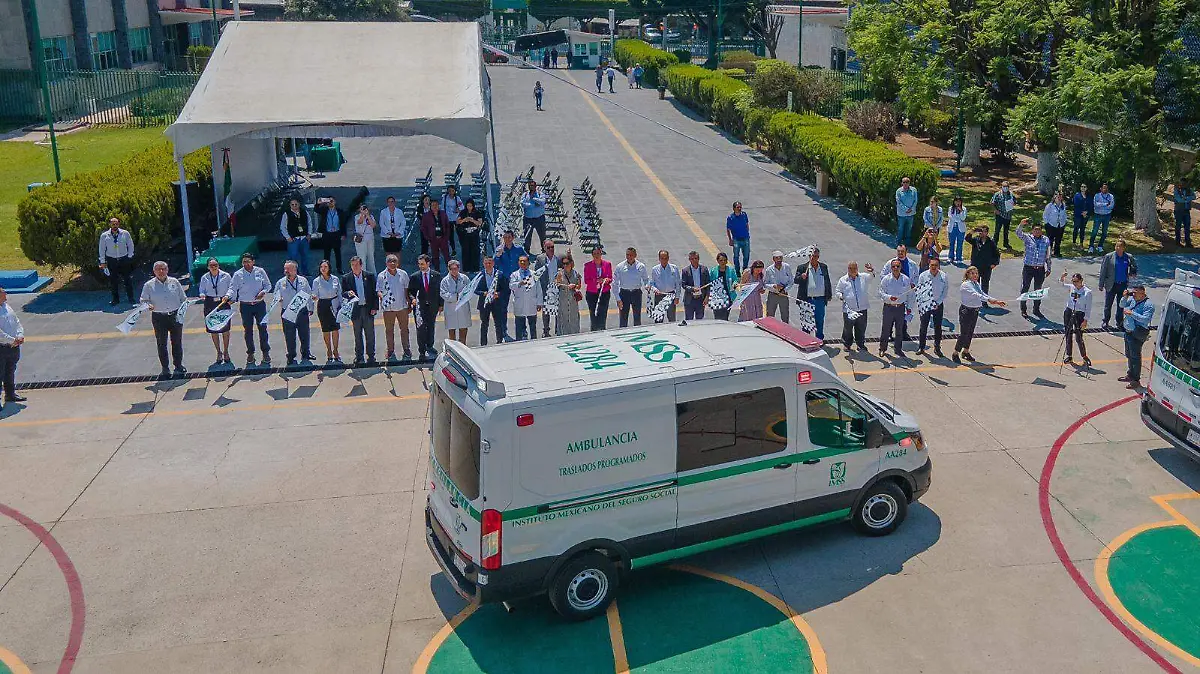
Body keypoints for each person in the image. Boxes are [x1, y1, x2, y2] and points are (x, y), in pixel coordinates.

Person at [141, 260, 188, 376]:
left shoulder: (175, 282)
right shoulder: (148, 285)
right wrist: (148, 305)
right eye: (158, 269)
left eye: (163, 269)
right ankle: (165, 368)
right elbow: (143, 300)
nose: (161, 271)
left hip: (175, 316)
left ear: (167, 270)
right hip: (159, 317)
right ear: (154, 271)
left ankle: (178, 365)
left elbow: (183, 299)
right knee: (161, 343)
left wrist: (182, 311)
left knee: (177, 342)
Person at [225, 252, 272, 366]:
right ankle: (250, 353)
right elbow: (232, 288)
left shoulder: (260, 271)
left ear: (253, 262)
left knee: (263, 329)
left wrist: (263, 292)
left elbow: (268, 285)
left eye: (248, 261)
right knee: (248, 330)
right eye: (244, 262)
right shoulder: (238, 274)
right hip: (245, 306)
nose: (246, 264)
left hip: (259, 304)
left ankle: (265, 352)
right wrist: (227, 296)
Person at [955, 266, 1006, 363]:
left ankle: (965, 351)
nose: (975, 275)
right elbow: (976, 295)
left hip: (974, 311)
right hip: (966, 311)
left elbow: (982, 293)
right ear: (968, 274)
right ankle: (956, 352)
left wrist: (995, 301)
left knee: (970, 332)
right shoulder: (966, 285)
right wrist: (989, 300)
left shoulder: (976, 284)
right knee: (964, 333)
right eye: (972, 273)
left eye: (976, 273)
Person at [274, 260, 314, 365]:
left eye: (288, 269)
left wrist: (311, 308)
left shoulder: (303, 281)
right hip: (287, 311)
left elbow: (309, 294)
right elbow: (275, 295)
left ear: (295, 269)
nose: (286, 271)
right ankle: (291, 355)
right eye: (285, 269)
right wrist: (278, 298)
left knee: (304, 333)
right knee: (289, 335)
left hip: (301, 311)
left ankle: (306, 353)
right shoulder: (280, 282)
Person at [341, 255, 378, 365]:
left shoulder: (369, 276)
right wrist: (348, 293)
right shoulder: (346, 278)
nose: (355, 267)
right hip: (355, 310)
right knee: (357, 334)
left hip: (367, 309)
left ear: (361, 265)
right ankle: (359, 356)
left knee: (370, 334)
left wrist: (375, 307)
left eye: (357, 265)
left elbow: (374, 293)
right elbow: (343, 293)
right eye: (352, 265)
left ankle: (371, 356)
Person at [1118, 284, 1155, 389]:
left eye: (1135, 292)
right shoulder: (1133, 300)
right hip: (1128, 331)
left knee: (1135, 357)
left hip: (1137, 333)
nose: (1133, 294)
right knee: (1129, 354)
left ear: (1142, 293)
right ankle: (1130, 374)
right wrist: (1124, 297)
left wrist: (1132, 313)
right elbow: (1122, 305)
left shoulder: (1149, 305)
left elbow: (1146, 319)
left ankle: (1136, 380)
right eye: (1133, 292)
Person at [377, 253, 412, 361]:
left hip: (402, 307)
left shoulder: (403, 274)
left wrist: (409, 304)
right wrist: (383, 297)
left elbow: (406, 290)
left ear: (398, 262)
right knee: (389, 330)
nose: (392, 263)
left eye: (394, 261)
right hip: (388, 309)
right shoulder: (381, 276)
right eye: (390, 261)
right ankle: (390, 350)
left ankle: (406, 349)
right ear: (386, 263)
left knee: (404, 329)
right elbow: (378, 290)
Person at [198, 257, 232, 363]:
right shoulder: (205, 277)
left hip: (223, 302)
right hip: (210, 303)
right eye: (211, 265)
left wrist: (228, 296)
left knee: (225, 329)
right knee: (213, 329)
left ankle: (226, 351)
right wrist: (202, 295)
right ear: (208, 267)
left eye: (215, 265)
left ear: (218, 265)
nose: (213, 267)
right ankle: (218, 352)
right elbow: (201, 290)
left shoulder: (226, 276)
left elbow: (231, 288)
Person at [1015, 219, 1052, 319]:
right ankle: (1023, 309)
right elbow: (1018, 233)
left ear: (1041, 231)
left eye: (1039, 230)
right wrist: (1021, 224)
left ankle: (1036, 309)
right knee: (1025, 288)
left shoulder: (1046, 240)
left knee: (1038, 290)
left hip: (1040, 269)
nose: (1037, 231)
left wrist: (1049, 268)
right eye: (1035, 230)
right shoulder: (1028, 238)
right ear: (1032, 231)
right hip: (1028, 268)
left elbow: (1048, 255)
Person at [1099, 240, 1137, 331]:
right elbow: (1103, 270)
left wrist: (1132, 272)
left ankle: (1119, 323)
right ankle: (1105, 321)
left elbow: (1134, 267)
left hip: (1122, 285)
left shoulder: (1128, 257)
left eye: (1120, 246)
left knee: (1121, 305)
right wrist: (1101, 284)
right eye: (1116, 246)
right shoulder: (1109, 257)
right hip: (1111, 284)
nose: (1118, 248)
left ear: (1124, 248)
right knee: (1108, 305)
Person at [409, 254, 442, 359]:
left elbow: (439, 291)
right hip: (420, 307)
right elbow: (410, 291)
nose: (421, 266)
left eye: (422, 264)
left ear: (428, 263)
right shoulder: (414, 276)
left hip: (433, 306)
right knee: (421, 328)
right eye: (419, 264)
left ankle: (430, 346)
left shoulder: (436, 275)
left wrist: (441, 305)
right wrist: (412, 298)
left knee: (431, 326)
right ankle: (422, 350)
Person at [836, 261, 873, 353]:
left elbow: (871, 277)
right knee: (848, 328)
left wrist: (871, 271)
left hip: (862, 308)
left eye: (854, 268)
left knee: (861, 327)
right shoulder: (843, 280)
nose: (852, 270)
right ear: (848, 269)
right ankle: (847, 344)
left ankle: (860, 344)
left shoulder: (863, 277)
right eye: (850, 268)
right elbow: (838, 290)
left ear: (857, 269)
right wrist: (840, 296)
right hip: (849, 309)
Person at [98, 217, 136, 306]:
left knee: (127, 280)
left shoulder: (125, 233)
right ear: (110, 225)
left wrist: (130, 256)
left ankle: (131, 298)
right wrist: (102, 261)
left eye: (116, 224)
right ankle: (115, 299)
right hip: (112, 260)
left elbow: (130, 245)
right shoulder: (104, 235)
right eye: (113, 224)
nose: (115, 226)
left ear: (119, 224)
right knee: (113, 281)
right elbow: (102, 249)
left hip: (123, 259)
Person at [795, 248, 832, 339]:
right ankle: (806, 339)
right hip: (807, 300)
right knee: (806, 322)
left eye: (815, 256)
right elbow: (795, 280)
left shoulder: (823, 267)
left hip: (820, 299)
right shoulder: (803, 268)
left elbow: (827, 281)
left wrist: (829, 294)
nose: (813, 258)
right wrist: (801, 277)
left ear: (818, 257)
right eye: (812, 256)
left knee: (819, 321)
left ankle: (819, 339)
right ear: (809, 256)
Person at [878, 259, 911, 357]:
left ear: (900, 267)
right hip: (889, 307)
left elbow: (909, 294)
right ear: (891, 268)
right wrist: (889, 297)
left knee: (899, 330)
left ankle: (898, 349)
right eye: (893, 266)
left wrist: (909, 307)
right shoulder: (886, 279)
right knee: (886, 329)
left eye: (897, 266)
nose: (895, 268)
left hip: (900, 308)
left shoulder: (906, 279)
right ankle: (882, 348)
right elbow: (881, 292)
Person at [312, 260, 342, 363]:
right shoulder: (317, 281)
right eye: (321, 267)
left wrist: (342, 306)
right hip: (323, 305)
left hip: (334, 303)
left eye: (325, 267)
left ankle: (336, 350)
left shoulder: (335, 279)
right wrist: (314, 297)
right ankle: (329, 350)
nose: (323, 269)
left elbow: (340, 293)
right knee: (326, 330)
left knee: (335, 329)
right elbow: (314, 294)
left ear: (329, 268)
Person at [917, 257, 948, 357]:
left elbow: (945, 292)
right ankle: (921, 347)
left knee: (938, 327)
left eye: (936, 265)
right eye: (932, 265)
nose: (934, 267)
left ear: (939, 266)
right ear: (929, 265)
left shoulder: (943, 276)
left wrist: (937, 303)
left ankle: (937, 347)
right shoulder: (923, 275)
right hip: (926, 303)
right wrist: (926, 302)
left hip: (938, 305)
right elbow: (920, 290)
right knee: (923, 326)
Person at [1060, 272, 1092, 367]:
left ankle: (1084, 356)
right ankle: (1069, 355)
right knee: (1068, 334)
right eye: (1073, 281)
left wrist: (1085, 320)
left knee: (1079, 337)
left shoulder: (1087, 292)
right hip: (1069, 311)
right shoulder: (1072, 287)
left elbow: (1088, 308)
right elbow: (1061, 284)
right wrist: (1062, 277)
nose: (1074, 283)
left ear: (1081, 280)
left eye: (1076, 281)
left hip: (1079, 314)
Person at [0, 287, 25, 410]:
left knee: (10, 371)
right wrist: (12, 340)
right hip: (2, 347)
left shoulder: (6, 306)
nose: (6, 294)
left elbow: (17, 322)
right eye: (3, 293)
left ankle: (10, 395)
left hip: (13, 346)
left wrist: (20, 335)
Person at [477, 256, 509, 345]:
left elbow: (506, 289)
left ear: (493, 263)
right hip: (484, 303)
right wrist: (483, 293)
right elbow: (475, 290)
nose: (488, 265)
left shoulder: (500, 274)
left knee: (498, 323)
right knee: (484, 324)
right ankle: (483, 344)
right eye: (486, 263)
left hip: (496, 303)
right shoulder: (480, 275)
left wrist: (498, 294)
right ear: (483, 264)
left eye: (490, 263)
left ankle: (499, 341)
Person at [614, 246, 649, 327]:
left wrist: (647, 286)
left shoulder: (641, 266)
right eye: (627, 255)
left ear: (635, 255)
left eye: (631, 255)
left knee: (637, 317)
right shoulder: (620, 267)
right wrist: (618, 299)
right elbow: (615, 283)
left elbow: (646, 279)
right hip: (624, 293)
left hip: (636, 293)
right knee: (623, 317)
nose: (629, 257)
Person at [535, 240, 564, 337]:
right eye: (549, 248)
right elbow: (536, 274)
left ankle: (558, 329)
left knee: (557, 310)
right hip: (545, 288)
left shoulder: (558, 259)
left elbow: (567, 266)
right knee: (546, 311)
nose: (551, 249)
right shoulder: (540, 259)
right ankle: (546, 330)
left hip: (556, 287)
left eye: (552, 247)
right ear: (544, 248)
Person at [509, 255, 541, 340]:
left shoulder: (534, 274)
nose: (522, 263)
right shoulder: (514, 275)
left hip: (531, 303)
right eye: (521, 261)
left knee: (533, 326)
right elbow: (511, 286)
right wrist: (519, 283)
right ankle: (519, 342)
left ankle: (534, 341)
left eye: (524, 261)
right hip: (520, 303)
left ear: (528, 263)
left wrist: (539, 303)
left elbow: (539, 289)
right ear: (518, 263)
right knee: (519, 327)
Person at [440, 259, 471, 343]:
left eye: (455, 268)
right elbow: (443, 294)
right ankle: (453, 349)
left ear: (459, 268)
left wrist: (463, 297)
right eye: (451, 269)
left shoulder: (465, 278)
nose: (454, 271)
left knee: (463, 329)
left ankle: (463, 346)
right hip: (451, 307)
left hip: (462, 307)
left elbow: (470, 290)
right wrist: (457, 296)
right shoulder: (445, 281)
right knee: (451, 330)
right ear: (448, 269)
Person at [280, 198, 312, 276]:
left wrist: (309, 234)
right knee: (293, 258)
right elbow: (283, 227)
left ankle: (305, 272)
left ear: (299, 204)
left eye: (296, 204)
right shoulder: (286, 214)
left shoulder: (304, 212)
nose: (294, 206)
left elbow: (309, 223)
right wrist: (287, 237)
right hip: (293, 239)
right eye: (292, 205)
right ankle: (294, 273)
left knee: (305, 256)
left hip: (304, 238)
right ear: (290, 205)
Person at [583, 246, 613, 331]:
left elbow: (610, 278)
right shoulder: (588, 265)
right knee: (593, 313)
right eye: (595, 254)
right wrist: (596, 281)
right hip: (592, 293)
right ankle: (594, 330)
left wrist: (606, 280)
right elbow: (586, 280)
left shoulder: (607, 264)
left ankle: (602, 329)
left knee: (603, 313)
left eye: (598, 253)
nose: (596, 255)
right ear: (592, 255)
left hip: (604, 292)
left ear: (601, 254)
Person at [315, 196, 346, 275]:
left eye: (332, 201)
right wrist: (318, 204)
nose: (330, 203)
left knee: (337, 253)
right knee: (326, 253)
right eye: (329, 201)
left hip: (336, 234)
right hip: (327, 234)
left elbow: (343, 223)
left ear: (335, 202)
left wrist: (343, 234)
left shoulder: (339, 211)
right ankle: (326, 269)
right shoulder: (324, 210)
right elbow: (316, 210)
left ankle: (339, 269)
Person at [966, 226, 1001, 295]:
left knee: (985, 284)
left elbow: (997, 254)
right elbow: (967, 238)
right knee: (975, 284)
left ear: (987, 233)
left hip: (986, 267)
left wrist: (994, 263)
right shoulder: (976, 240)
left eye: (984, 231)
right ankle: (976, 301)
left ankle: (984, 301)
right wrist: (973, 231)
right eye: (981, 231)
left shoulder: (991, 242)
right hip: (976, 266)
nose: (982, 233)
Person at [649, 249, 682, 323]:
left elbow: (678, 284)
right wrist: (654, 290)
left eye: (666, 258)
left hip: (670, 295)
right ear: (659, 259)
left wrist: (677, 297)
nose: (664, 260)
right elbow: (652, 284)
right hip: (659, 296)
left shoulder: (674, 268)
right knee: (658, 319)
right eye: (662, 258)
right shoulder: (655, 269)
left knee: (671, 318)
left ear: (668, 258)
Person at [421, 199, 453, 272]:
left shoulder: (443, 214)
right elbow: (423, 228)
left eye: (436, 205)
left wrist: (447, 237)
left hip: (443, 238)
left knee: (447, 256)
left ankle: (450, 271)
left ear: (438, 206)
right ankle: (437, 272)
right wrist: (428, 238)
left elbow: (448, 226)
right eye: (433, 205)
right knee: (435, 257)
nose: (435, 207)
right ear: (430, 206)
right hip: (433, 239)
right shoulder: (426, 215)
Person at [554, 255, 583, 335]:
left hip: (572, 298)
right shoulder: (560, 273)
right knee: (563, 317)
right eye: (564, 264)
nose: (565, 265)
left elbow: (579, 286)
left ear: (571, 263)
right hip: (563, 297)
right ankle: (562, 334)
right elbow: (556, 284)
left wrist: (574, 286)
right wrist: (566, 286)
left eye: (567, 263)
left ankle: (575, 334)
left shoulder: (576, 273)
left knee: (574, 317)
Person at [456, 199, 486, 274]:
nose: (469, 207)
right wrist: (464, 220)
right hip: (466, 233)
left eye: (470, 206)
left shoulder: (477, 212)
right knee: (466, 250)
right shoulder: (463, 212)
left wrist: (472, 220)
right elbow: (458, 221)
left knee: (475, 250)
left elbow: (479, 223)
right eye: (468, 206)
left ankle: (475, 268)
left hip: (474, 233)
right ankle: (466, 268)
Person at [681, 250, 711, 322]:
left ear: (698, 259)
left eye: (696, 258)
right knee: (689, 320)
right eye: (692, 259)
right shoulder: (685, 270)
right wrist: (692, 288)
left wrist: (707, 297)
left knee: (700, 320)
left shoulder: (704, 269)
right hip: (689, 300)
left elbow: (708, 284)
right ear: (689, 260)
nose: (694, 260)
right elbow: (683, 285)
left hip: (700, 299)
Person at [709, 252, 738, 321]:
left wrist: (734, 284)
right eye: (721, 260)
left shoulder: (731, 270)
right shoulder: (713, 271)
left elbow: (735, 280)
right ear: (717, 261)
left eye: (725, 260)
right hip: (717, 297)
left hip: (728, 297)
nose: (723, 262)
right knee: (717, 317)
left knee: (725, 318)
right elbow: (710, 282)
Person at [521, 179, 548, 252]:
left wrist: (535, 199)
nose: (531, 187)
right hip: (528, 219)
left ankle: (544, 250)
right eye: (530, 186)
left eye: (532, 186)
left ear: (535, 186)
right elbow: (523, 204)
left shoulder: (540, 194)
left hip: (539, 218)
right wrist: (532, 205)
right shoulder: (525, 194)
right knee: (527, 236)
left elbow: (542, 202)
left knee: (542, 235)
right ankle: (527, 250)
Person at [726, 202, 751, 276]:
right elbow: (728, 229)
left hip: (745, 238)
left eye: (740, 207)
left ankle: (745, 269)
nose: (739, 209)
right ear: (734, 208)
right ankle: (737, 271)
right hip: (736, 239)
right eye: (737, 207)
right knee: (736, 256)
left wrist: (747, 233)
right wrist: (730, 239)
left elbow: (747, 224)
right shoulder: (730, 218)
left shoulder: (744, 215)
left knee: (746, 255)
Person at [1090, 183, 1116, 253]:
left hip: (1107, 216)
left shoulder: (1111, 196)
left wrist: (1101, 205)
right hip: (1098, 215)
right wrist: (1105, 204)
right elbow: (1096, 204)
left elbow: (1111, 206)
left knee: (1104, 232)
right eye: (1104, 188)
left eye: (1106, 188)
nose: (1105, 189)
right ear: (1101, 189)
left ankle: (1100, 246)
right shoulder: (1097, 195)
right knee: (1095, 231)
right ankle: (1091, 246)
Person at [353, 202, 377, 275]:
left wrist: (368, 216)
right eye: (362, 209)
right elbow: (359, 222)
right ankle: (363, 274)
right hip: (360, 240)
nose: (363, 210)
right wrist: (363, 215)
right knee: (362, 258)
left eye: (365, 208)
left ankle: (373, 275)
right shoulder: (357, 216)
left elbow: (373, 225)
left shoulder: (371, 216)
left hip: (370, 239)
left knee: (371, 257)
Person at [991, 182, 1017, 248]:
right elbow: (992, 203)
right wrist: (995, 210)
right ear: (1002, 186)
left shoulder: (1011, 194)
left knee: (1006, 231)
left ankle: (1006, 243)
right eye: (1004, 186)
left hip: (1008, 216)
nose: (1005, 188)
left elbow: (1015, 202)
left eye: (1007, 186)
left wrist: (1013, 203)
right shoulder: (997, 194)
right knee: (997, 230)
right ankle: (994, 243)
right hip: (999, 215)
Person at [1043, 192, 1068, 258]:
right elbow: (1045, 215)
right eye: (1058, 197)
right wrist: (1047, 224)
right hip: (1051, 225)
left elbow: (1065, 215)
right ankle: (1049, 253)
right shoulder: (1050, 205)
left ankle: (1057, 253)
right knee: (1050, 240)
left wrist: (1064, 222)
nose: (1059, 198)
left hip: (1060, 225)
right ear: (1054, 198)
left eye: (1060, 197)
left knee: (1058, 240)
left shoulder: (1063, 205)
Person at [895, 177, 918, 245]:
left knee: (909, 229)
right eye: (904, 182)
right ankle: (899, 243)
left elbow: (915, 200)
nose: (905, 183)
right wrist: (906, 209)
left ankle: (907, 244)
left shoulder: (914, 190)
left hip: (911, 214)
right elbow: (898, 202)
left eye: (907, 182)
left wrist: (911, 209)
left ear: (909, 183)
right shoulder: (898, 191)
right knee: (900, 229)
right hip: (901, 214)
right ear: (902, 183)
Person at [947, 196, 968, 264]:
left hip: (961, 228)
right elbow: (951, 217)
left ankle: (958, 257)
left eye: (959, 201)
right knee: (951, 243)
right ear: (954, 201)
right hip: (952, 227)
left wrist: (961, 211)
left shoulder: (964, 209)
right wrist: (958, 220)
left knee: (960, 243)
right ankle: (951, 257)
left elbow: (963, 218)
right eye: (956, 201)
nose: (958, 203)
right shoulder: (950, 208)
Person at [1174, 181, 1195, 247]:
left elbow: (1194, 196)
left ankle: (1188, 242)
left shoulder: (1189, 190)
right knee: (1178, 226)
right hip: (1178, 211)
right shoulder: (1177, 190)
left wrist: (1186, 198)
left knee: (1187, 227)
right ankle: (1177, 241)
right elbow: (1179, 200)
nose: (1184, 185)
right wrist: (1187, 199)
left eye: (1185, 183)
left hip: (1186, 211)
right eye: (1182, 184)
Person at [1072, 184, 1091, 249]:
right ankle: (1074, 243)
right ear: (1080, 188)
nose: (1083, 188)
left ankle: (1081, 244)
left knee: (1082, 230)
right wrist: (1081, 212)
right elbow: (1076, 205)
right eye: (1082, 187)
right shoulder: (1077, 195)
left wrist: (1087, 212)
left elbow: (1090, 205)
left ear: (1086, 188)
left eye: (1084, 187)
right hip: (1077, 215)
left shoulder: (1088, 196)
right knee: (1076, 229)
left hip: (1085, 216)